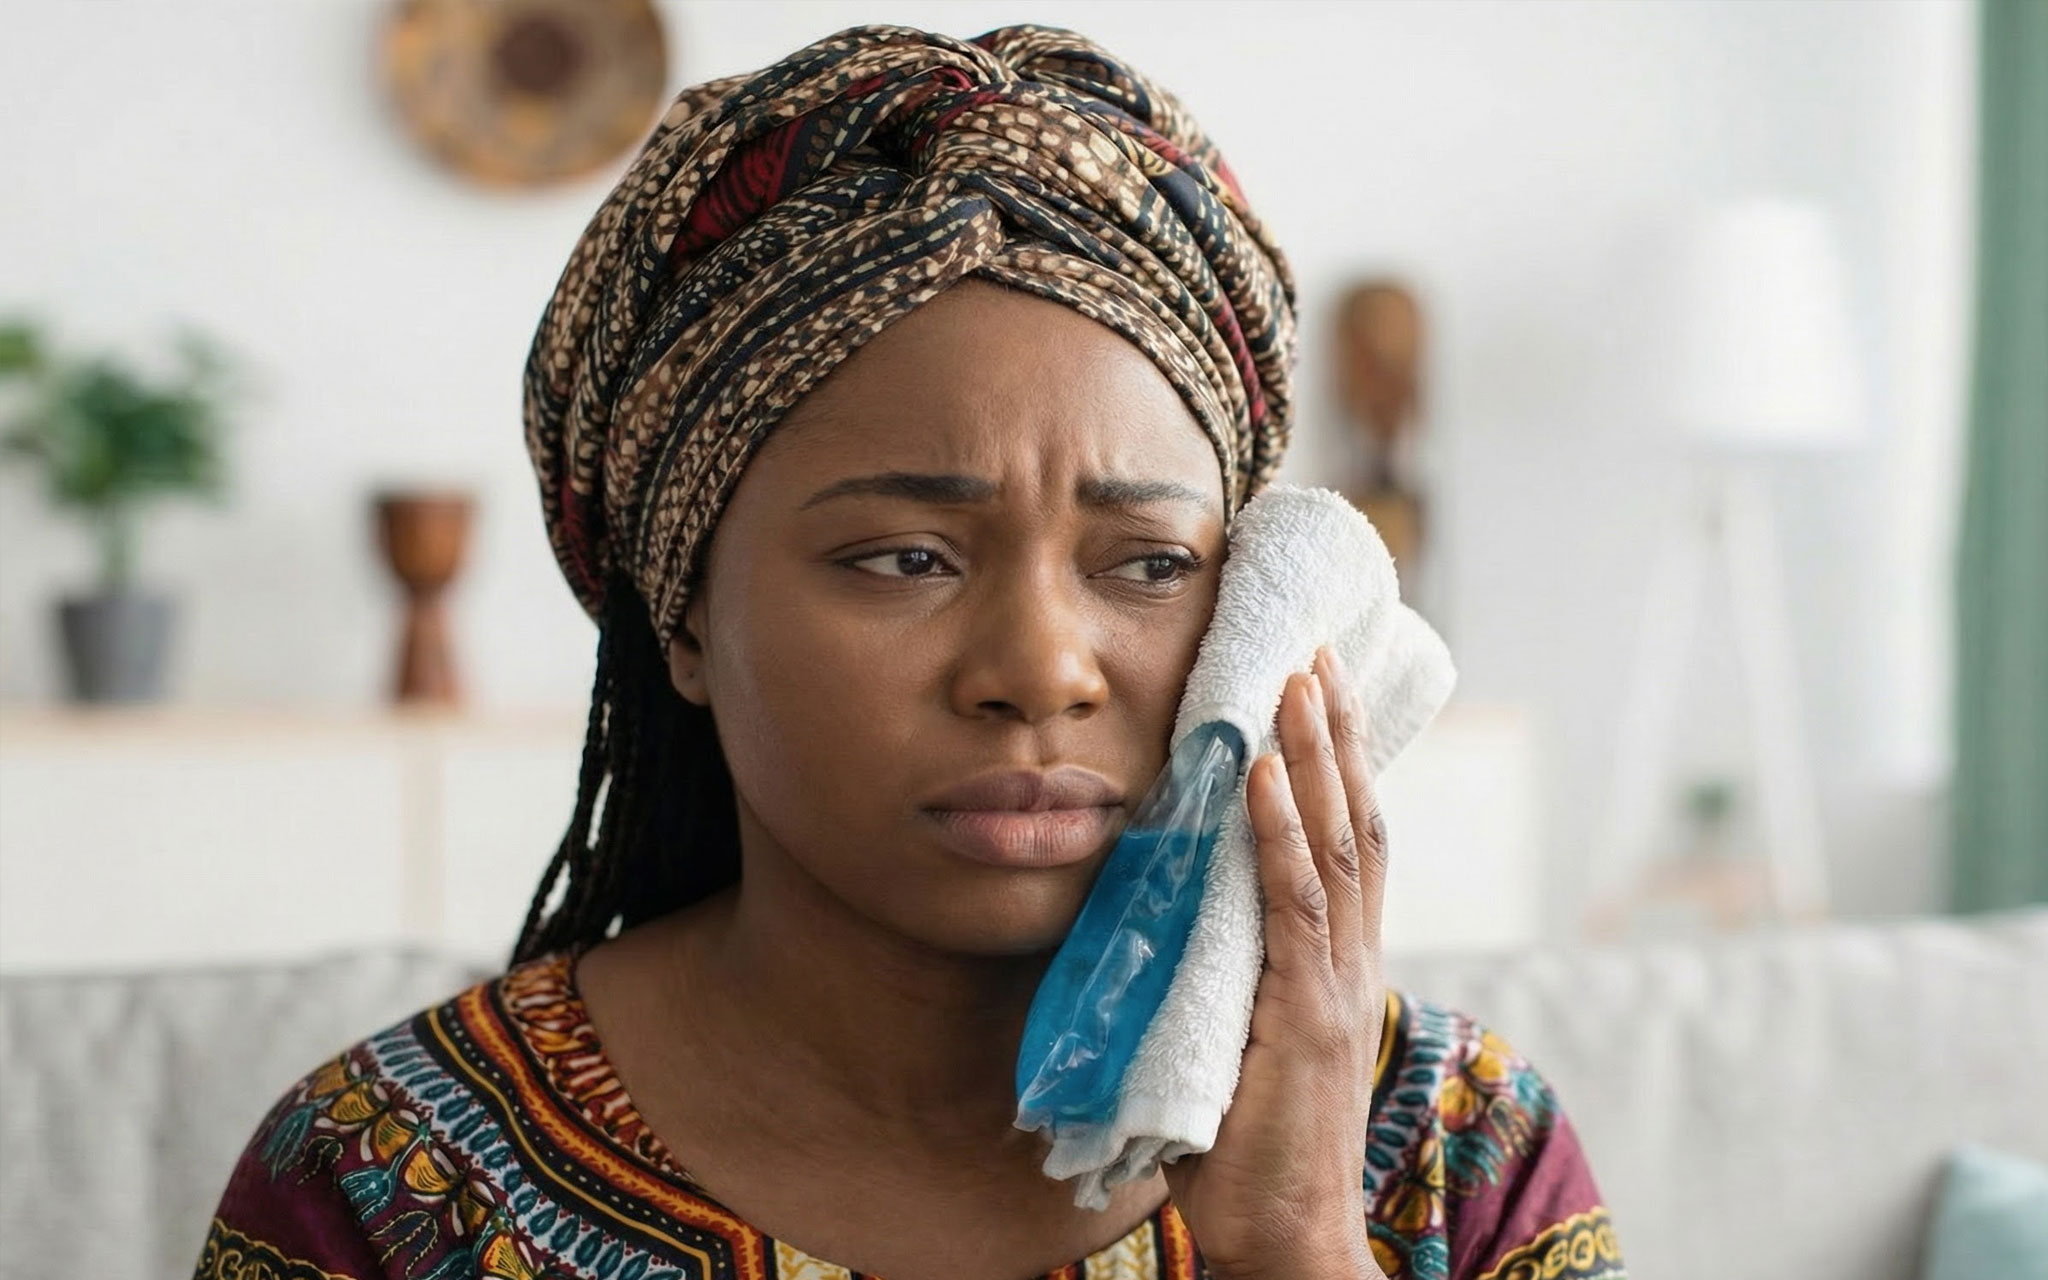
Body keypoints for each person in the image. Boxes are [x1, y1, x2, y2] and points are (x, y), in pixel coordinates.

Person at [195, 24, 1625, 1280]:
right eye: (905, 559)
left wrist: (1301, 1246)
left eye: (1146, 565)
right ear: (684, 612)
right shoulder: (383, 1185)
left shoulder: (1457, 1158)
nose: (1041, 670)